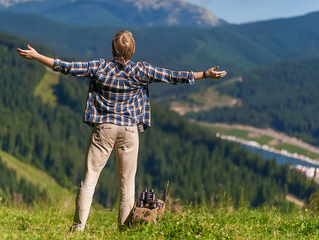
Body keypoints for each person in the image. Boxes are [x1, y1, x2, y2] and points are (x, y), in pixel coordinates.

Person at [16, 30, 227, 231]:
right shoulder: (141, 70)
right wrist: (204, 75)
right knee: (127, 184)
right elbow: (172, 76)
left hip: (104, 129)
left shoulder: (99, 67)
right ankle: (124, 230)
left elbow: (66, 66)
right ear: (132, 51)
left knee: (89, 180)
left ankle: (78, 227)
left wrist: (37, 56)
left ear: (112, 50)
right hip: (129, 131)